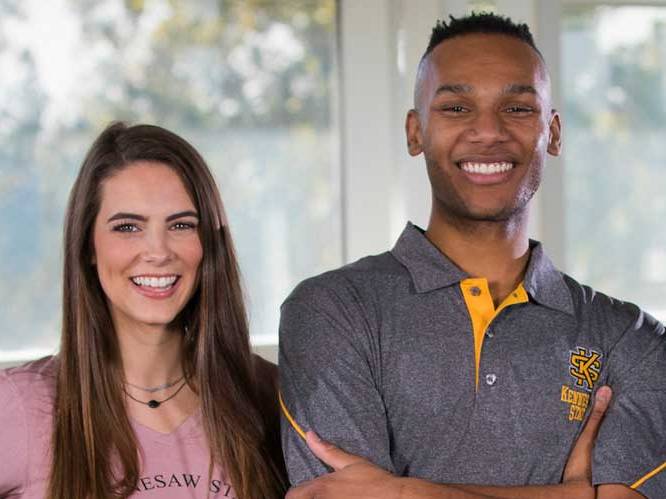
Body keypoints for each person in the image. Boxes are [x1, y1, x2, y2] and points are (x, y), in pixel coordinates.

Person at [279, 12, 665, 499]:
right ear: (415, 132)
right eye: (457, 108)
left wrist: (403, 492)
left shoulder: (632, 341)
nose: (488, 131)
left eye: (518, 108)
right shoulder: (330, 311)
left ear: (554, 132)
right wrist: (566, 495)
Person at [0, 123, 287, 498]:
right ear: (88, 245)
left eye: (181, 224)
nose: (158, 251)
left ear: (208, 244)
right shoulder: (21, 404)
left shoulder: (269, 395)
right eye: (128, 227)